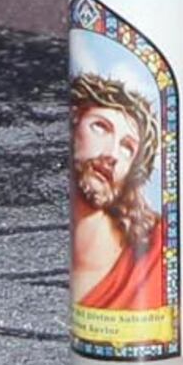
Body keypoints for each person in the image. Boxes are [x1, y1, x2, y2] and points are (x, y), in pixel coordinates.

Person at [68, 70, 170, 317]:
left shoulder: (160, 249)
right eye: (101, 127)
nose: (112, 154)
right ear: (72, 125)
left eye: (127, 148)